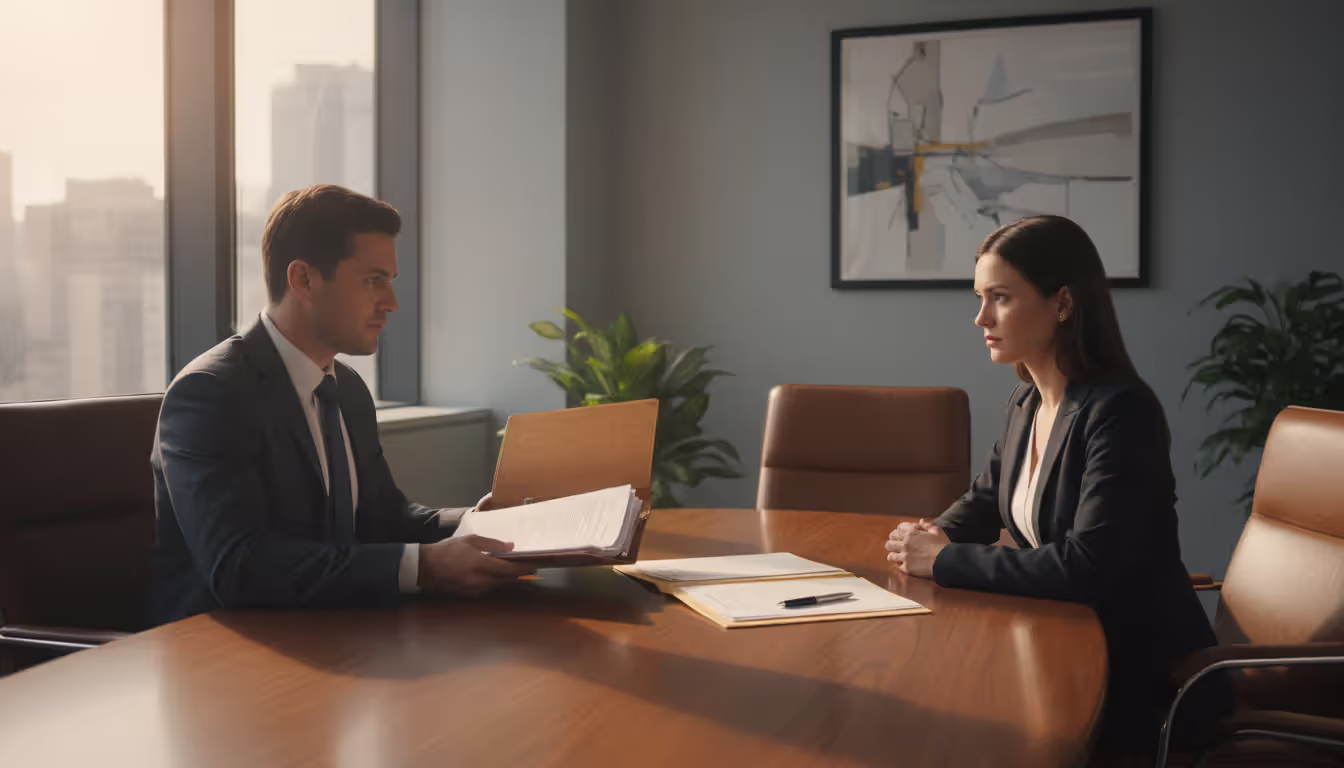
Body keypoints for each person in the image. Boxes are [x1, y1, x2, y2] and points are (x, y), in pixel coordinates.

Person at [884, 215, 1219, 756]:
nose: (980, 318)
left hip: (1134, 667)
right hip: (1058, 639)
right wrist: (927, 535)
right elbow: (989, 498)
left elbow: (1087, 566)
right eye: (979, 297)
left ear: (1062, 303)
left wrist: (943, 560)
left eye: (1001, 298)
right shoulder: (1028, 401)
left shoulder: (1120, 411)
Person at [148, 185, 532, 625]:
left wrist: (472, 523)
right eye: (373, 281)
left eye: (389, 281)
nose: (391, 303)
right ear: (304, 279)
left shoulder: (345, 388)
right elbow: (239, 567)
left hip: (329, 633)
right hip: (219, 657)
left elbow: (386, 518)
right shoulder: (210, 394)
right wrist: (426, 567)